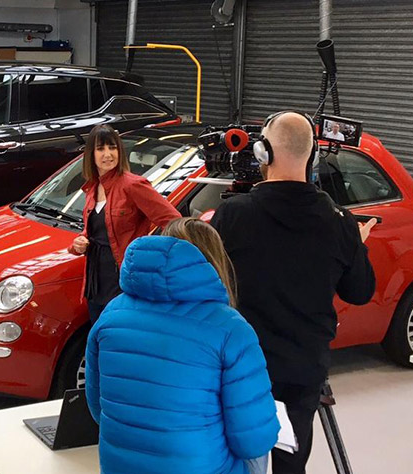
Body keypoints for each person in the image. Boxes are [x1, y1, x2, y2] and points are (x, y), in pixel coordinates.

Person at [211, 111, 376, 474]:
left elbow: (212, 287)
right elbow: (360, 292)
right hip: (303, 369)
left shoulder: (233, 215)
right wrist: (356, 246)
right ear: (313, 155)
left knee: (236, 460)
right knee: (290, 464)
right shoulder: (339, 222)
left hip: (243, 367)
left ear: (262, 153)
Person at [85, 217, 278, 474]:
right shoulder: (231, 328)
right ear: (215, 261)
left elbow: (98, 409)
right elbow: (253, 441)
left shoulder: (111, 314)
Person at [68, 124, 181, 323]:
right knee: (100, 335)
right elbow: (96, 228)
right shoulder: (93, 187)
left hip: (123, 279)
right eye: (101, 148)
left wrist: (153, 254)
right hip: (95, 280)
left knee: (120, 335)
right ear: (90, 154)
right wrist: (79, 242)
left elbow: (174, 221)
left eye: (112, 147)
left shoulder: (133, 184)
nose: (108, 154)